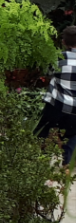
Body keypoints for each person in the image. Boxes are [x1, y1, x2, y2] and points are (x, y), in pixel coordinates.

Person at [37, 25, 76, 165]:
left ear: (63, 42)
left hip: (56, 105)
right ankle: (65, 164)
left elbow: (47, 73)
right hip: (75, 111)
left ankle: (39, 159)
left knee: (42, 130)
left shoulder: (58, 58)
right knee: (71, 136)